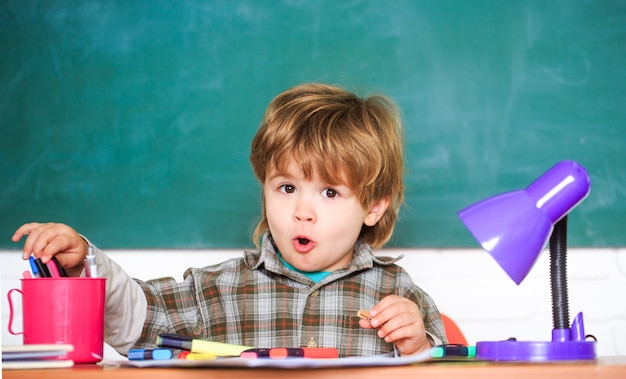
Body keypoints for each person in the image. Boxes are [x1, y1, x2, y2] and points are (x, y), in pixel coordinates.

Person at [12, 83, 446, 357]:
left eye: (330, 193)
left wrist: (418, 347)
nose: (302, 211)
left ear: (373, 206)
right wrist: (85, 261)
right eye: (287, 187)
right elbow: (139, 319)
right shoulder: (218, 289)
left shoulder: (399, 292)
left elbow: (445, 364)